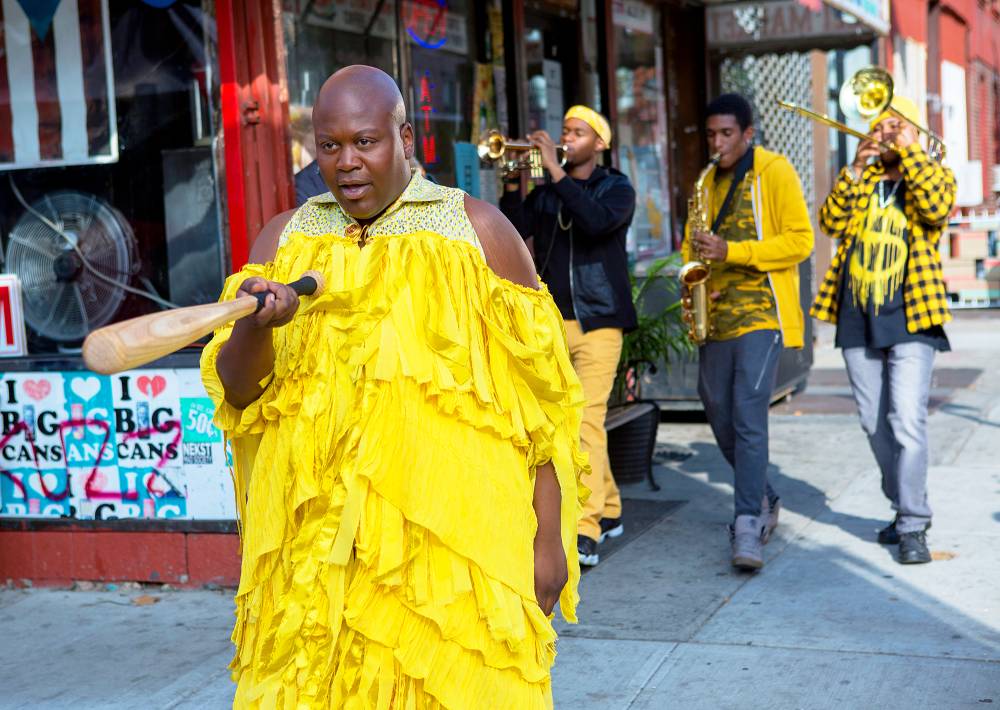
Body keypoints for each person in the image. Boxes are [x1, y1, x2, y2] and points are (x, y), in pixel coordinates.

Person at [201, 66, 587, 708]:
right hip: (316, 559)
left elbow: (542, 401)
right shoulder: (284, 241)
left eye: (366, 142)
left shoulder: (480, 234)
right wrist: (254, 328)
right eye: (329, 146)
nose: (347, 163)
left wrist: (549, 541)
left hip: (453, 557)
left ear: (405, 136)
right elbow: (239, 396)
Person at [812, 94, 956, 565]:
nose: (885, 133)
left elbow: (936, 209)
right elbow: (830, 221)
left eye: (895, 125)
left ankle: (914, 524)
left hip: (913, 314)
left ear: (912, 129)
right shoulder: (864, 177)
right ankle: (903, 508)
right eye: (880, 126)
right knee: (874, 423)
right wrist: (855, 167)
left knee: (907, 422)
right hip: (858, 315)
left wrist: (910, 149)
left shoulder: (930, 173)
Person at [500, 106, 638, 568]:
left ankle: (587, 526)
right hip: (556, 319)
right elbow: (515, 230)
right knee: (571, 421)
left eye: (578, 133)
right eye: (565, 132)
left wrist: (555, 172)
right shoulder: (548, 192)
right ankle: (613, 507)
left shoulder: (616, 187)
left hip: (601, 322)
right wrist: (514, 179)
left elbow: (597, 222)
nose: (568, 138)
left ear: (599, 143)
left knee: (587, 420)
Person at [684, 94, 813, 571]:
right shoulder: (706, 182)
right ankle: (763, 493)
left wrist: (732, 252)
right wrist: (695, 280)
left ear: (748, 133)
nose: (717, 143)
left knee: (747, 415)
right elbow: (691, 245)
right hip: (715, 317)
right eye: (711, 134)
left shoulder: (774, 171)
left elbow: (800, 241)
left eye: (727, 134)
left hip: (762, 316)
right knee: (716, 409)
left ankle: (747, 523)